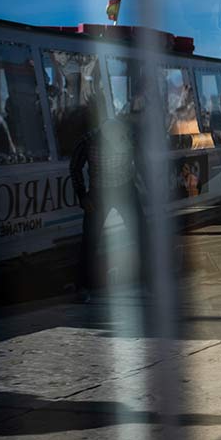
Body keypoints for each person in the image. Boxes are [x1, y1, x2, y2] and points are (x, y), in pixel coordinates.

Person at [69, 113, 148, 303]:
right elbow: (75, 167)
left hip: (125, 187)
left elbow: (141, 162)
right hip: (99, 191)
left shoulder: (129, 136)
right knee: (90, 238)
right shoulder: (88, 141)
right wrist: (82, 195)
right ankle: (82, 287)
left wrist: (146, 186)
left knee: (141, 233)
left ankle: (148, 280)